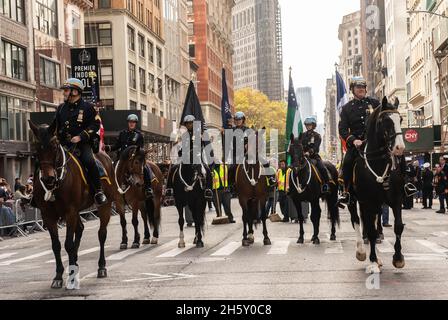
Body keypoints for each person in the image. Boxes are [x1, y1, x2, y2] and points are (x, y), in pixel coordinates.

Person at [52, 78, 106, 205]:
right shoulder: (60, 108)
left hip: (82, 144)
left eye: (66, 90)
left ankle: (98, 191)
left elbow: (95, 125)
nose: (64, 93)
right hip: (64, 144)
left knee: (89, 161)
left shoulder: (88, 108)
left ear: (75, 92)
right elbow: (55, 126)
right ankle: (40, 194)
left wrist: (81, 136)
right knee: (46, 160)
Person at [338, 77, 381, 204]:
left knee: (395, 156)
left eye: (363, 87)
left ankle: (403, 186)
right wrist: (353, 140)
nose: (361, 89)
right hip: (358, 145)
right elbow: (343, 129)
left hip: (375, 142)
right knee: (347, 162)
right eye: (358, 87)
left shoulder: (375, 103)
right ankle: (347, 192)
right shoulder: (346, 108)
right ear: (352, 90)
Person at [104, 114, 153, 198]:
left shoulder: (139, 135)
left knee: (145, 168)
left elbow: (140, 149)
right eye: (130, 122)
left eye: (133, 122)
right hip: (122, 159)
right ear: (128, 123)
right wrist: (107, 147)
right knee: (110, 169)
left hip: (134, 159)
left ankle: (148, 188)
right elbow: (117, 146)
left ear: (135, 123)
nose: (131, 124)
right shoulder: (122, 133)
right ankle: (108, 189)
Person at [165, 115, 213, 200]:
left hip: (197, 158)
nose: (189, 125)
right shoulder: (185, 135)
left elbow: (202, 146)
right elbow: (183, 147)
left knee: (207, 170)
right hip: (186, 158)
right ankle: (169, 189)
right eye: (187, 124)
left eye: (190, 123)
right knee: (173, 168)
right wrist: (180, 152)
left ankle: (208, 190)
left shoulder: (199, 134)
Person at [301, 116, 330, 194]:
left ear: (313, 125)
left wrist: (309, 152)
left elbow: (316, 147)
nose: (308, 126)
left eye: (309, 125)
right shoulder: (302, 135)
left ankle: (325, 185)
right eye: (306, 125)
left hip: (314, 157)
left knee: (323, 168)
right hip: (303, 157)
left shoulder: (317, 135)